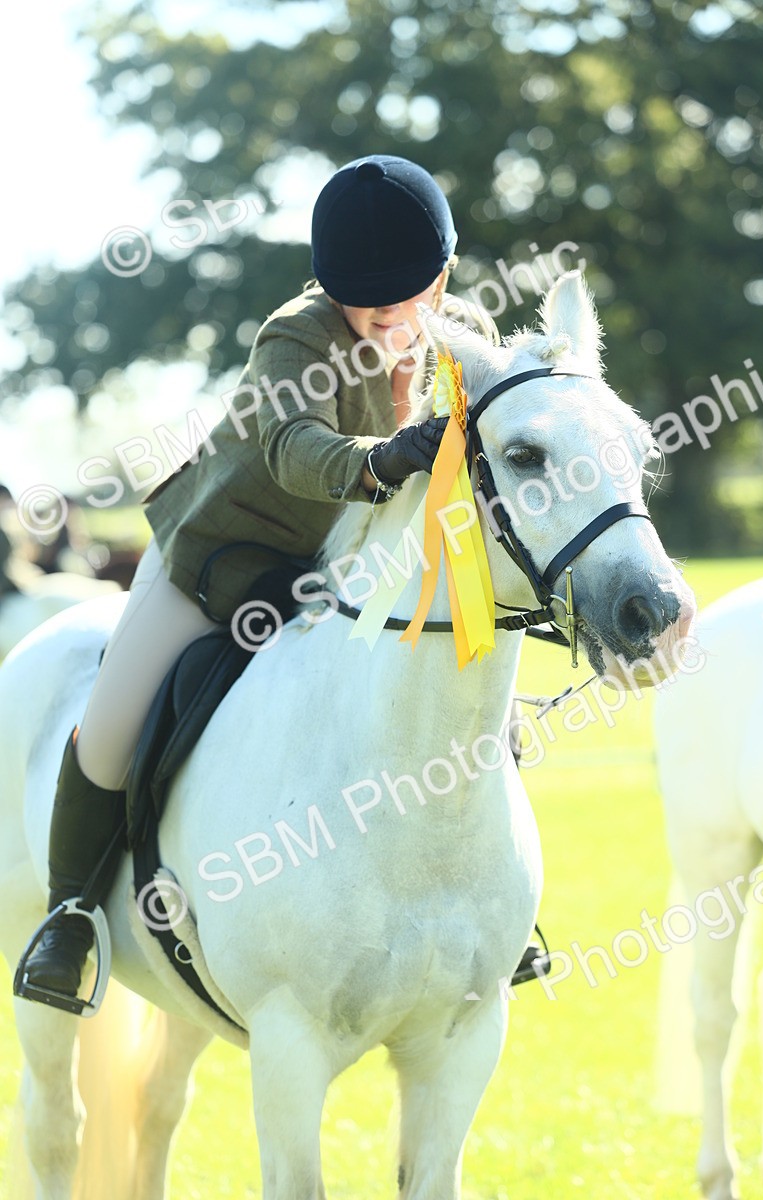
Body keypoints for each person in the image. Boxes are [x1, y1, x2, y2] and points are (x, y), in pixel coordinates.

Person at [17, 154, 484, 1007]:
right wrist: (380, 461)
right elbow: (292, 449)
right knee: (113, 730)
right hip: (214, 559)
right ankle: (71, 915)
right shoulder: (297, 335)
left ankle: (488, 916)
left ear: (445, 274)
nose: (386, 316)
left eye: (409, 296)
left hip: (348, 573)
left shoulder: (462, 337)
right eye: (364, 300)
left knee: (461, 704)